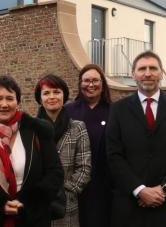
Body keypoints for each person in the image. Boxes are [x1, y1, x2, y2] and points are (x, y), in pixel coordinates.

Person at [106, 51, 166, 227]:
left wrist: (164, 189)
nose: (147, 73)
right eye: (142, 69)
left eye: (153, 68)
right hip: (130, 207)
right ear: (133, 74)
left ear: (161, 73)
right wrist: (140, 190)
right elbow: (113, 155)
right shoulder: (118, 110)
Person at [0, 75, 64, 227]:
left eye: (10, 98)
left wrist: (26, 202)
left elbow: (54, 173)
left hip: (33, 218)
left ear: (17, 102)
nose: (4, 104)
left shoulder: (37, 131)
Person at [35, 74, 91, 227]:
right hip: (38, 204)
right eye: (46, 93)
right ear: (40, 99)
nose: (51, 97)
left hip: (67, 205)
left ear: (64, 95)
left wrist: (64, 189)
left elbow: (84, 168)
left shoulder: (78, 127)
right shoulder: (31, 129)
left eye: (56, 92)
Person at [64, 64, 112, 227]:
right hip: (75, 186)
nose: (91, 85)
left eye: (95, 80)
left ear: (103, 83)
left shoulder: (114, 111)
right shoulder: (68, 110)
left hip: (104, 187)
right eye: (86, 81)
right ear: (80, 83)